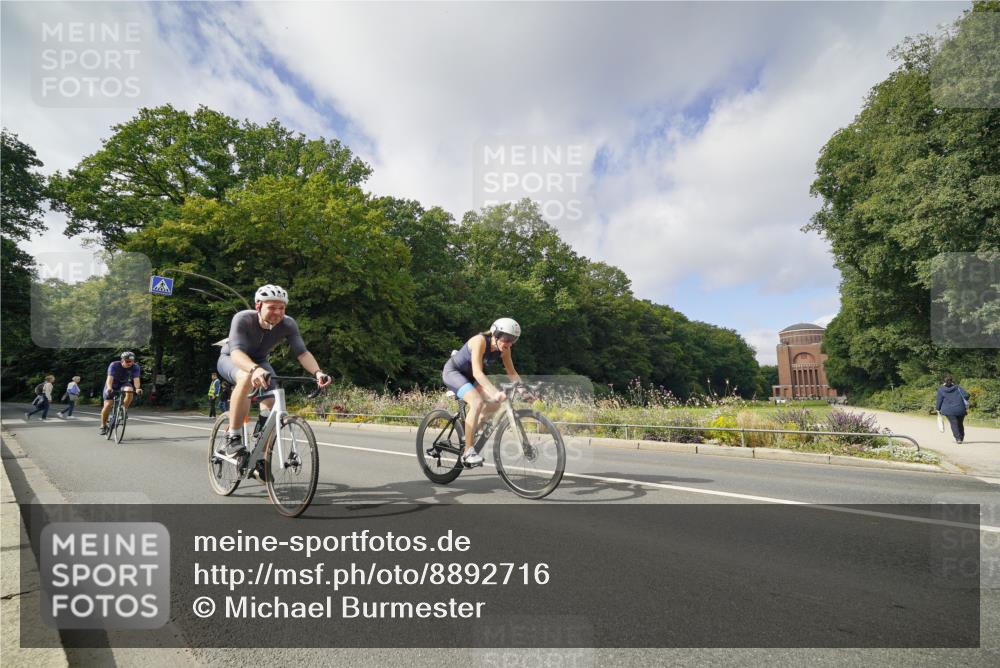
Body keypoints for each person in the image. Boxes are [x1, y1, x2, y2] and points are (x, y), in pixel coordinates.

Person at [216, 284, 331, 456]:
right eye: (271, 307)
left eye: (281, 308)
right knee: (246, 378)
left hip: (260, 362)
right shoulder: (243, 318)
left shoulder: (288, 324)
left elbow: (302, 353)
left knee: (273, 396)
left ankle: (260, 452)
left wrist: (318, 372)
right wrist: (254, 369)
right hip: (232, 359)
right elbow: (236, 352)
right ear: (258, 306)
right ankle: (233, 437)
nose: (277, 312)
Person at [441, 318, 523, 466]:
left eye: (513, 340)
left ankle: (470, 433)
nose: (510, 343)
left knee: (495, 404)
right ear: (495, 334)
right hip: (454, 373)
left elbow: (512, 373)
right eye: (507, 339)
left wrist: (524, 390)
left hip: (470, 378)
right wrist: (495, 392)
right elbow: (478, 373)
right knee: (477, 402)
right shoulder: (479, 341)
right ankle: (468, 451)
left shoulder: (505, 350)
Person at [99, 352, 143, 435]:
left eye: (132, 361)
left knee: (130, 390)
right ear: (122, 360)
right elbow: (109, 378)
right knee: (108, 405)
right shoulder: (114, 365)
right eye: (127, 361)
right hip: (112, 384)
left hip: (123, 384)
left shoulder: (135, 367)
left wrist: (137, 388)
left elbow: (136, 379)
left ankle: (123, 410)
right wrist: (109, 388)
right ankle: (103, 425)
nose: (130, 363)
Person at [936, 374, 971, 444]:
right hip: (960, 409)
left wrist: (938, 409)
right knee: (960, 423)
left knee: (954, 423)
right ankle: (961, 437)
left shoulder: (941, 389)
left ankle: (958, 438)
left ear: (943, 381)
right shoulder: (958, 387)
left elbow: (939, 400)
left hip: (949, 410)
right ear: (952, 381)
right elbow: (966, 395)